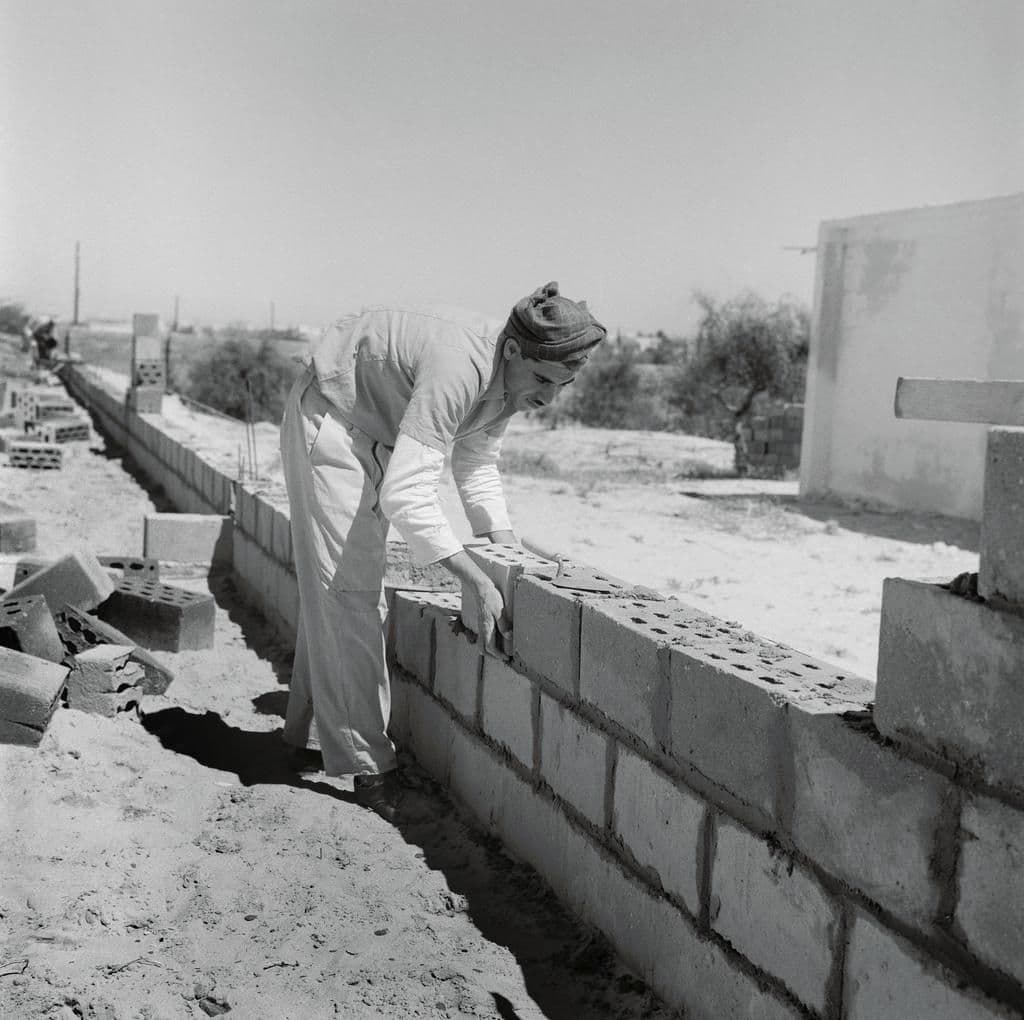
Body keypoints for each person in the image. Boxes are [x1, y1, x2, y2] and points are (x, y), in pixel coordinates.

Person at [279, 281, 606, 819]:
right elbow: (407, 492)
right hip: (334, 418)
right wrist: (473, 578)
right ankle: (368, 766)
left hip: (380, 428)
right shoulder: (461, 368)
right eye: (544, 380)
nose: (550, 398)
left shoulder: (510, 379)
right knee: (349, 593)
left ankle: (308, 736)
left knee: (337, 591)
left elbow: (475, 462)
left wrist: (507, 552)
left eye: (564, 384)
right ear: (512, 350)